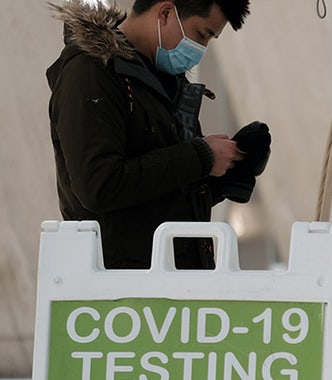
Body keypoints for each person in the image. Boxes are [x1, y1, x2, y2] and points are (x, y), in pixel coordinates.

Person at [47, 0, 268, 270]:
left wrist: (228, 173)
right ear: (165, 12)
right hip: (119, 294)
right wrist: (202, 156)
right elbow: (99, 185)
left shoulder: (166, 83)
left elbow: (161, 191)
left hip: (171, 286)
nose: (201, 49)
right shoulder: (92, 72)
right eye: (201, 34)